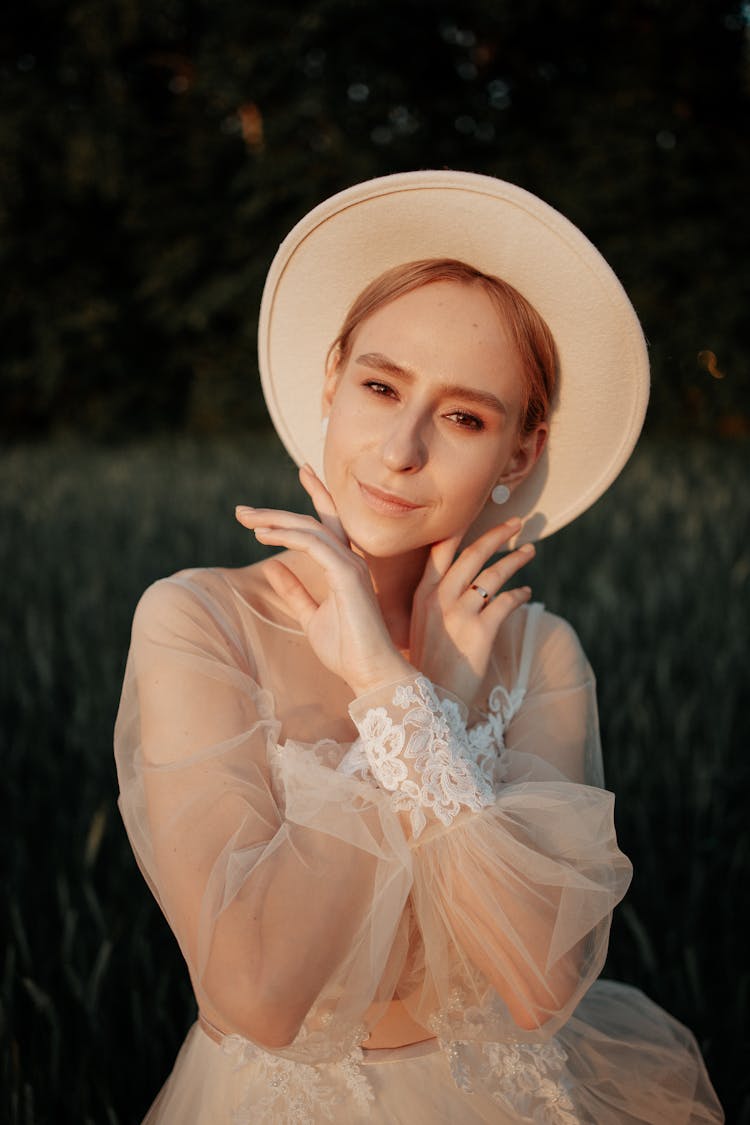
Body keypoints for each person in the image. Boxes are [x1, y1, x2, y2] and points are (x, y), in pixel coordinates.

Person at [114, 171, 724, 1123]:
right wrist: (416, 696)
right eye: (381, 384)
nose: (401, 448)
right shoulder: (197, 621)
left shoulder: (541, 654)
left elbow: (537, 989)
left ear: (518, 455)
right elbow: (261, 995)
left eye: (465, 416)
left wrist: (394, 686)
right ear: (331, 380)